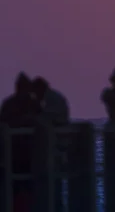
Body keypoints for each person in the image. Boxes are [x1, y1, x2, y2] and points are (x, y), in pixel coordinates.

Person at [0, 73, 39, 212]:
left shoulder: (32, 104)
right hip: (16, 151)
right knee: (17, 186)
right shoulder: (24, 104)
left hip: (26, 152)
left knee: (24, 186)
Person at [31, 77, 70, 212]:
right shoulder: (52, 98)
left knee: (54, 183)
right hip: (55, 147)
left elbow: (46, 119)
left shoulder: (53, 100)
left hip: (57, 147)